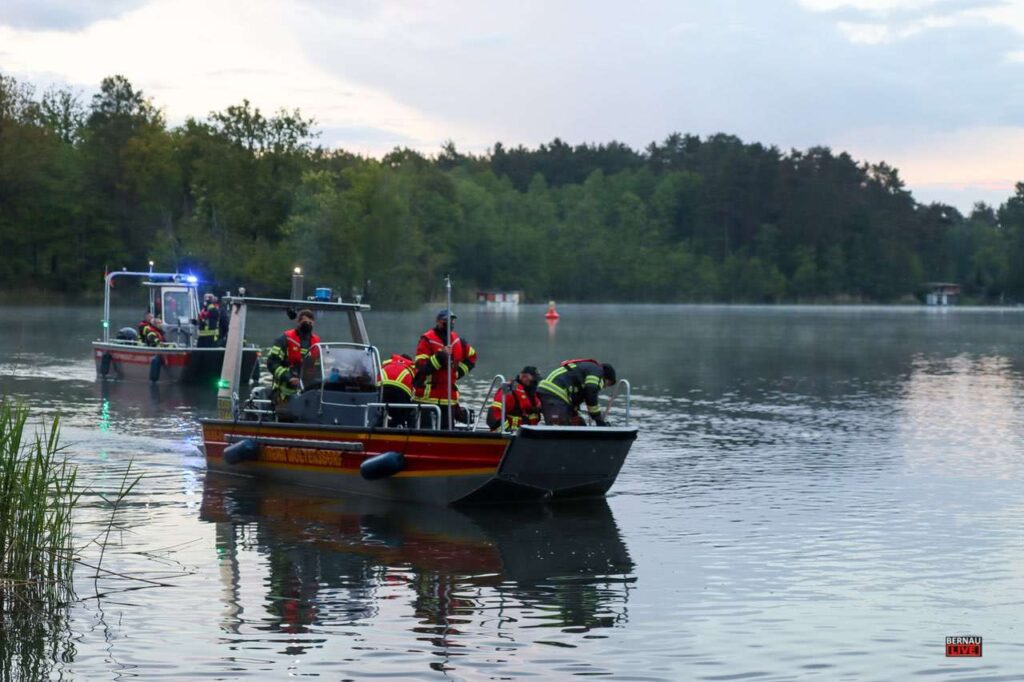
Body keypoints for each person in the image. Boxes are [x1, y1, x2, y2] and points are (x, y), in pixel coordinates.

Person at [412, 309, 477, 429]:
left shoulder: (457, 341)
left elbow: (472, 356)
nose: (450, 323)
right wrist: (440, 357)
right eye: (446, 320)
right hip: (428, 399)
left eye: (452, 321)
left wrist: (457, 373)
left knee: (448, 431)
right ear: (438, 321)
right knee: (425, 431)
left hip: (449, 400)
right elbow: (421, 367)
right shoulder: (427, 339)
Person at [266, 309, 320, 409]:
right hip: (283, 393)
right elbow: (271, 363)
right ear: (298, 322)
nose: (308, 324)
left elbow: (318, 366)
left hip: (308, 392)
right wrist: (288, 377)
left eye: (310, 323)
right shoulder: (284, 339)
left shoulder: (316, 342)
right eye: (305, 322)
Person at [536, 359, 616, 426]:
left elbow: (580, 392)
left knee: (577, 423)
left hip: (553, 393)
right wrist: (599, 420)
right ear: (605, 376)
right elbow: (591, 392)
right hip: (555, 393)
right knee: (561, 427)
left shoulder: (585, 369)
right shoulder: (597, 371)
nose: (604, 387)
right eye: (607, 384)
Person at [487, 366, 541, 432]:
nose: (535, 383)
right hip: (510, 436)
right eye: (533, 380)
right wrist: (506, 431)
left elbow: (536, 408)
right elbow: (495, 412)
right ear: (524, 377)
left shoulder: (531, 392)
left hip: (527, 433)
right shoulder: (509, 390)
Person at [380, 353, 416, 427]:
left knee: (381, 410)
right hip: (401, 390)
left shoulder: (389, 362)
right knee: (405, 413)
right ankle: (403, 428)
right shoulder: (411, 367)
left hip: (383, 386)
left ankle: (378, 426)